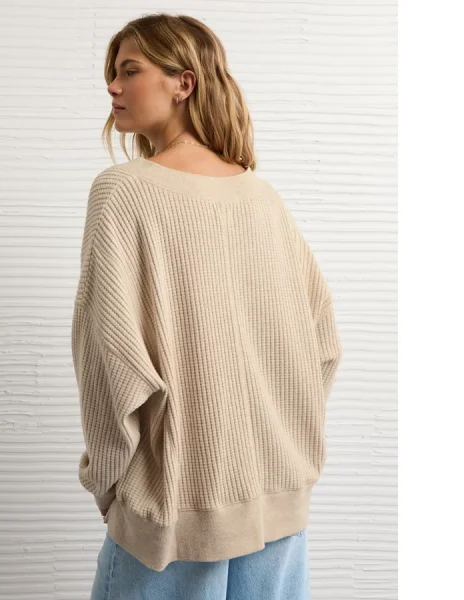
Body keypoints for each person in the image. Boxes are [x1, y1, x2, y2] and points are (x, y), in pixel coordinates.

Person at [70, 13, 342, 600]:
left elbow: (110, 364)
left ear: (183, 83)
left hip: (175, 515)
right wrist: (284, 454)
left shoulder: (123, 192)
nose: (112, 86)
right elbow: (322, 348)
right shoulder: (261, 197)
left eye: (129, 71)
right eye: (112, 73)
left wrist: (108, 482)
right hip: (280, 507)